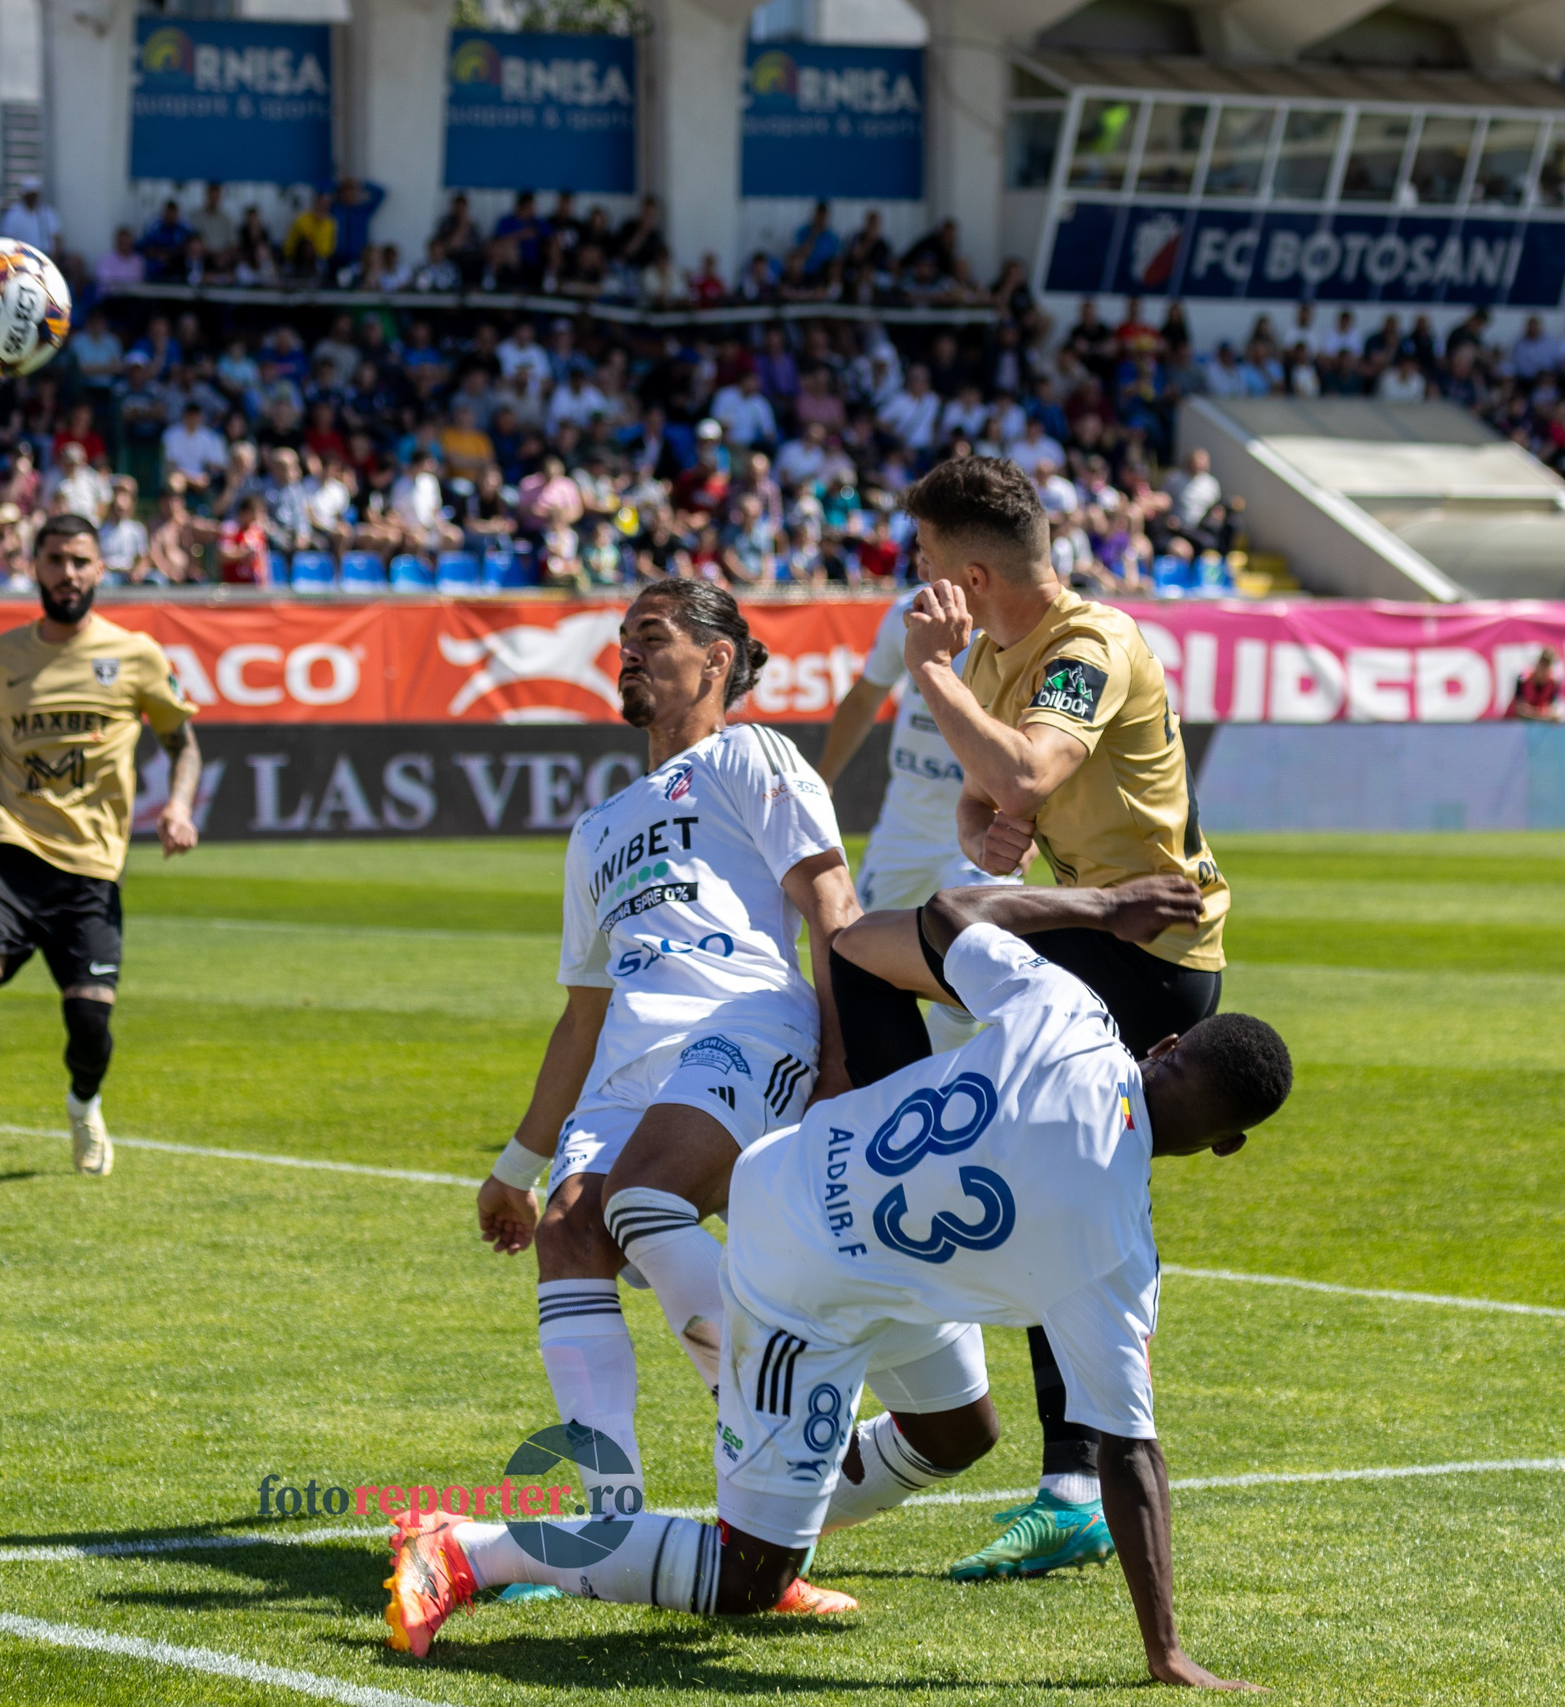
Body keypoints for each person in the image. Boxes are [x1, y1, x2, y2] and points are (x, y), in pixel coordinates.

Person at [391, 876, 1292, 1694]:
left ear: (1165, 1044)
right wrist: (1164, 1650)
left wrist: (1097, 908)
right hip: (801, 1287)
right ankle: (469, 1550)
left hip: (814, 1196)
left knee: (959, 1430)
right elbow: (1129, 1453)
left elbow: (947, 915)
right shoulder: (1116, 1253)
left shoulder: (1071, 1015)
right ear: (1226, 1144)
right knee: (749, 1578)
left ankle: (776, 1484)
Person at [831, 454, 1231, 1582]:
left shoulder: (1084, 647)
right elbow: (992, 792)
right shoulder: (1005, 653)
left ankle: (1071, 1485)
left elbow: (1030, 758)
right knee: (866, 952)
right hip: (1083, 931)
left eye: (919, 559)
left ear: (967, 571)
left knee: (1063, 1192)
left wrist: (931, 677)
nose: (911, 577)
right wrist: (980, 822)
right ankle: (1067, 1482)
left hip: (1150, 955)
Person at [473, 580, 859, 1561]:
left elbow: (831, 907)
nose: (627, 655)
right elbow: (581, 1012)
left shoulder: (749, 755)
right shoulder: (597, 828)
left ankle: (776, 1427)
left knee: (641, 1200)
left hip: (746, 1026)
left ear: (717, 658)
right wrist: (514, 1168)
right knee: (569, 1234)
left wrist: (843, 1063)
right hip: (626, 1064)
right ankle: (610, 1522)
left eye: (651, 638)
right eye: (622, 642)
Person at [0, 514, 203, 1187]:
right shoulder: (2, 655)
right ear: (36, 567)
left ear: (99, 569)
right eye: (55, 560)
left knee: (88, 1022)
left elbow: (182, 741)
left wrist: (177, 805)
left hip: (90, 866)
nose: (68, 573)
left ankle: (83, 1104)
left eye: (80, 560)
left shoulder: (137, 655)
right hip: (10, 847)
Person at [816, 568, 1018, 1053]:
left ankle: (930, 1085)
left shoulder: (1017, 631)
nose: (926, 566)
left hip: (978, 833)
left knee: (980, 973)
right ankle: (863, 1086)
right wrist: (819, 782)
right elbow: (866, 695)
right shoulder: (908, 611)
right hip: (901, 830)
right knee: (849, 957)